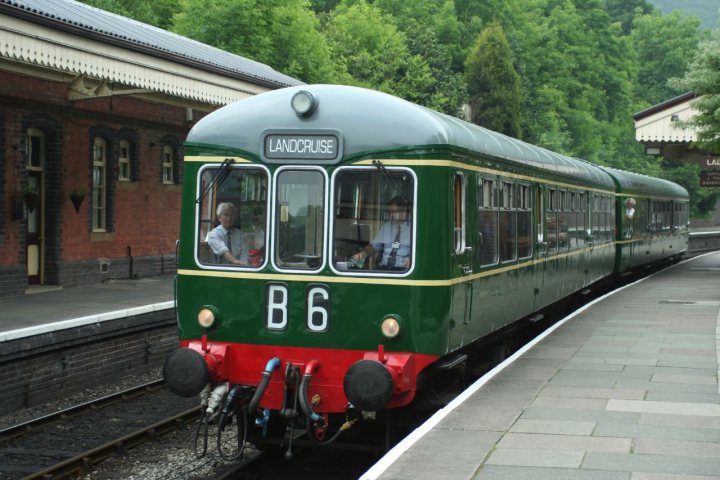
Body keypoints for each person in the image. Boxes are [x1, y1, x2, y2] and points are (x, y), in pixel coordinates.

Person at [352, 196, 412, 270]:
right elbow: (374, 246)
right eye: (391, 211)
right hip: (384, 267)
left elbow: (422, 250)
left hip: (404, 269)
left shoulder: (415, 228)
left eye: (396, 211)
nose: (392, 214)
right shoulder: (386, 227)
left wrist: (412, 258)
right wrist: (364, 253)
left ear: (406, 210)